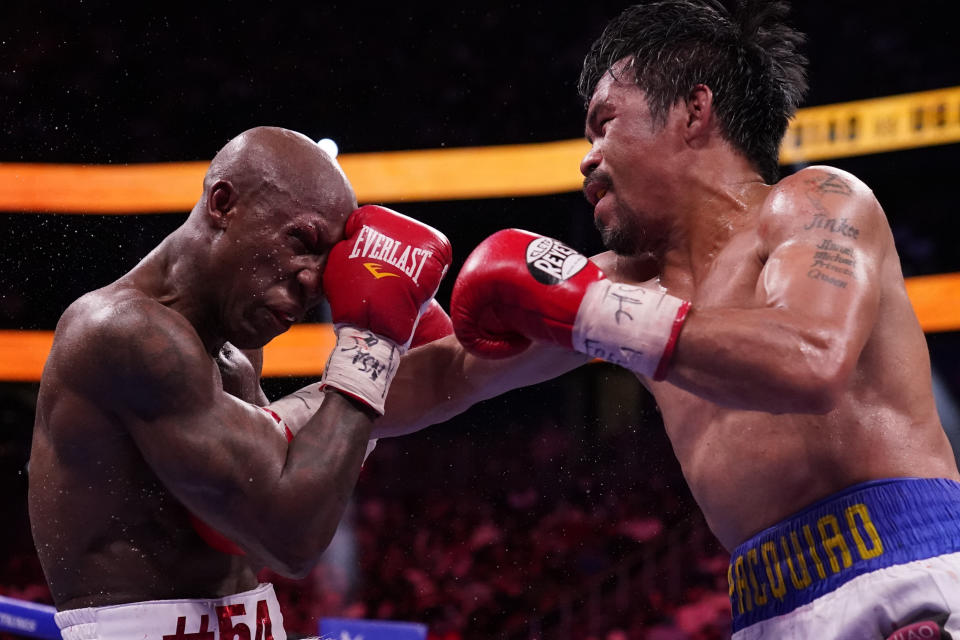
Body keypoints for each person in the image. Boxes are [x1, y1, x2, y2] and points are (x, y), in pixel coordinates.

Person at [394, 2, 960, 637]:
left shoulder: (816, 202)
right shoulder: (617, 285)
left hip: (909, 577)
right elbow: (450, 375)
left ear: (695, 110)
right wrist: (292, 413)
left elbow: (810, 359)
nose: (587, 159)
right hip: (765, 611)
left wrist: (593, 310)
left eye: (604, 125)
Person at [28, 126, 452, 640]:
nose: (312, 280)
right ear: (223, 204)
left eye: (328, 261)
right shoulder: (126, 333)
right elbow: (289, 539)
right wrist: (371, 347)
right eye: (302, 241)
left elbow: (265, 509)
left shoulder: (235, 349)